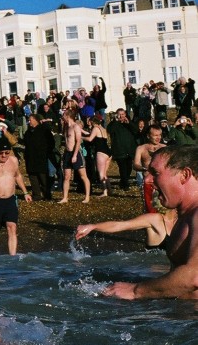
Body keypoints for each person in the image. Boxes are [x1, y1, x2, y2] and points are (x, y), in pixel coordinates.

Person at [104, 145, 198, 299]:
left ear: (184, 175)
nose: (147, 179)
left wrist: (135, 290)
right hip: (182, 317)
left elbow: (194, 277)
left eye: (155, 173)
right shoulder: (186, 215)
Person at [75, 208, 176, 252]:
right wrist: (93, 226)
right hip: (154, 277)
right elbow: (120, 225)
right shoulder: (154, 219)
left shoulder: (184, 219)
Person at [59, 109, 92, 204]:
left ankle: (87, 196)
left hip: (76, 153)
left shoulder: (75, 127)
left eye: (64, 115)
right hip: (67, 153)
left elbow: (78, 141)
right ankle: (65, 197)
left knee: (83, 176)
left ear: (68, 116)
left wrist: (74, 155)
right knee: (66, 176)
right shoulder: (65, 127)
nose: (62, 117)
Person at [21, 114, 55, 201]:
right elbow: (25, 143)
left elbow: (51, 143)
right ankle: (36, 195)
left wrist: (46, 152)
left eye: (31, 120)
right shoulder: (28, 132)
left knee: (43, 177)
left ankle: (47, 195)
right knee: (33, 177)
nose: (29, 122)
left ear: (36, 120)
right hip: (30, 157)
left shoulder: (44, 130)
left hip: (41, 157)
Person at [134, 124, 166, 213]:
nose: (158, 137)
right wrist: (145, 169)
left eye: (160, 135)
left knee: (163, 208)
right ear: (148, 136)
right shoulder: (141, 148)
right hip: (148, 182)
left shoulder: (165, 148)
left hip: (162, 183)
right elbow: (135, 165)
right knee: (149, 208)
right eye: (155, 135)